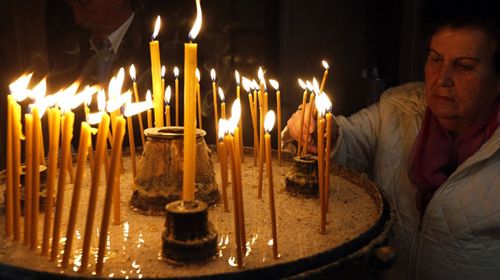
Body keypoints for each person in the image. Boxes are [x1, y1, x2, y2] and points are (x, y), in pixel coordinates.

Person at [283, 0, 499, 279]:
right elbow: (347, 140)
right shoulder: (398, 107)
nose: (442, 78)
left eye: (464, 66)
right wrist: (322, 132)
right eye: (435, 59)